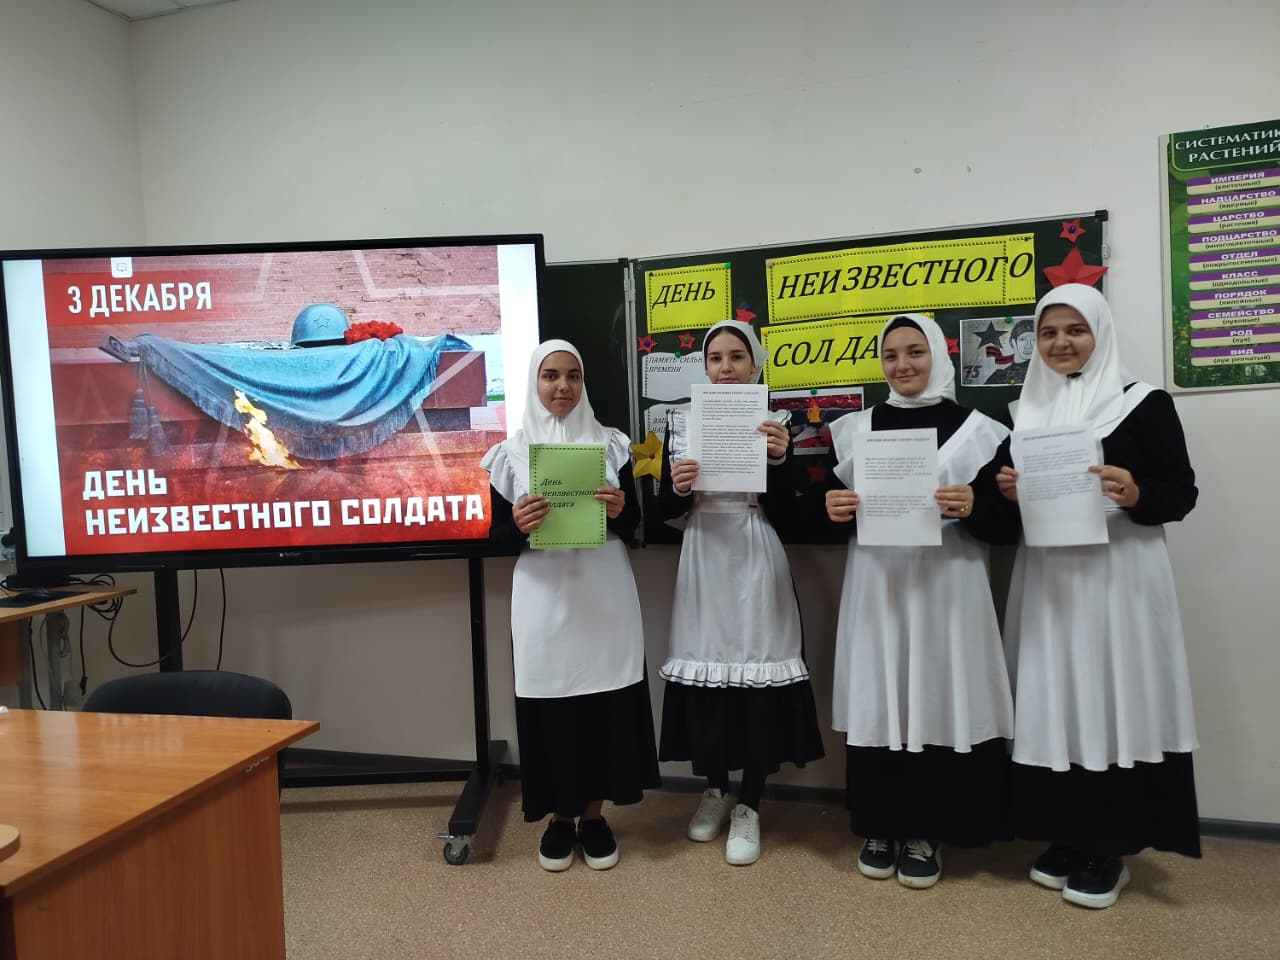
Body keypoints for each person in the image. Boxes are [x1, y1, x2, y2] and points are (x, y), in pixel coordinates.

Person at [997, 283, 1200, 909]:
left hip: (1119, 579)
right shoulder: (1025, 412)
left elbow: (1182, 492)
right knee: (1058, 701)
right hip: (1051, 580)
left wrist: (1136, 494)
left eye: (1075, 330)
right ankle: (1067, 835)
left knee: (1113, 700)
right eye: (1049, 332)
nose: (1061, 343)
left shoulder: (1144, 403)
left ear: (1100, 333)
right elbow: (1002, 514)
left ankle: (1109, 847)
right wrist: (1008, 493)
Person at [825, 313, 1019, 889]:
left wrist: (974, 506)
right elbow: (833, 512)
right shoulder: (854, 428)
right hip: (878, 586)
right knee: (882, 696)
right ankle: (879, 824)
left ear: (938, 354)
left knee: (937, 694)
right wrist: (833, 509)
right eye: (890, 355)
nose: (902, 364)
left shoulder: (982, 431)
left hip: (947, 587)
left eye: (915, 351)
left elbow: (1008, 525)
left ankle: (928, 829)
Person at [481, 339, 659, 872]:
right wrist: (518, 525)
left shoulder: (613, 446)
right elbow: (496, 539)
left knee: (605, 703)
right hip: (542, 598)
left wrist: (623, 510)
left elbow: (636, 527)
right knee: (552, 706)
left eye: (573, 375)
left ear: (583, 383)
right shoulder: (510, 454)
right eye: (550, 375)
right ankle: (560, 818)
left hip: (604, 595)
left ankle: (596, 817)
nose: (562, 386)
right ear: (534, 383)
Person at [657, 320, 824, 866]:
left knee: (755, 674)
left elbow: (794, 517)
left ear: (754, 366)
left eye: (736, 357)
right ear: (704, 368)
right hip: (703, 554)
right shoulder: (681, 424)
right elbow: (663, 513)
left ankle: (750, 801)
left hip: (754, 551)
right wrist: (677, 488)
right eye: (715, 358)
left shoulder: (776, 424)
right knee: (708, 674)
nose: (725, 368)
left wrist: (779, 462)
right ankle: (715, 788)